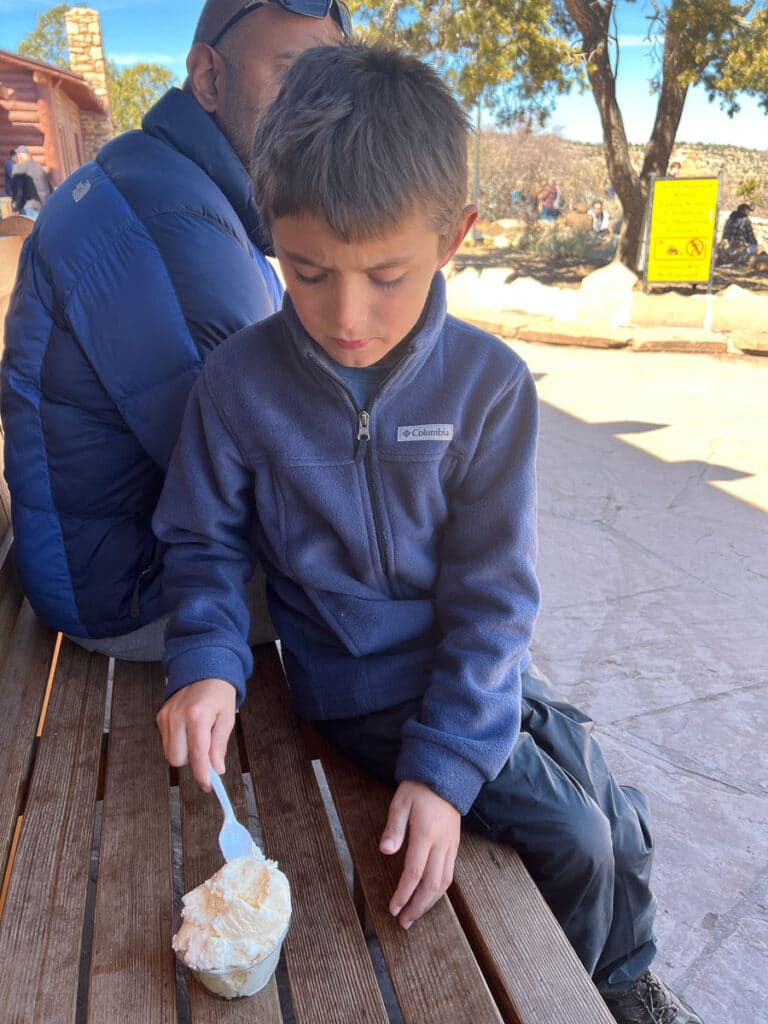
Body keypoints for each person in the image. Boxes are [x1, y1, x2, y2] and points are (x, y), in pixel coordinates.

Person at [153, 43, 703, 1024]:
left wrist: (446, 769)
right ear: (268, 232)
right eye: (308, 271)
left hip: (473, 660)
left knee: (614, 804)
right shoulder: (236, 387)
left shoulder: (488, 387)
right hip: (359, 686)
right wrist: (205, 665)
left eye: (386, 275)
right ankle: (575, 995)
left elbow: (494, 597)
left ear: (455, 236)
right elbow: (201, 547)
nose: (346, 315)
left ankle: (622, 978)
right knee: (574, 833)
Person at [0, 0, 349, 661]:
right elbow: (266, 489)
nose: (322, 112)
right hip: (130, 592)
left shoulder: (167, 184)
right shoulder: (168, 225)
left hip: (112, 556)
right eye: (294, 75)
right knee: (430, 591)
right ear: (210, 78)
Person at [10, 145, 52, 218]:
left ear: (20, 155)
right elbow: (49, 187)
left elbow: (17, 190)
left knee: (31, 228)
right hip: (45, 207)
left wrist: (14, 208)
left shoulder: (18, 168)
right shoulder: (39, 167)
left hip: (28, 208)